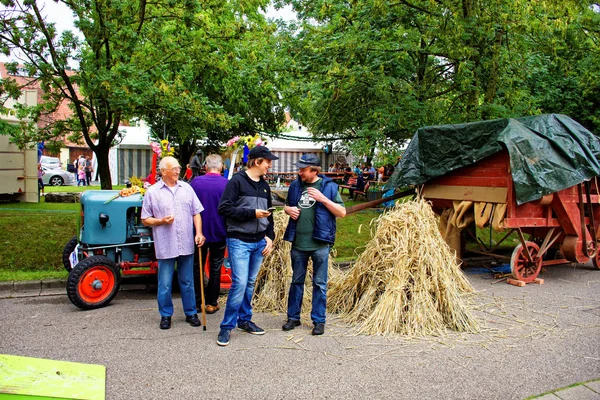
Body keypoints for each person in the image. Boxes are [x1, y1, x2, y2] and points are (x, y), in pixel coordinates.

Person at [216, 146, 278, 346]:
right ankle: (226, 327)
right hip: (239, 241)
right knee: (240, 283)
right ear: (257, 162)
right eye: (267, 161)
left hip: (259, 241)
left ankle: (244, 320)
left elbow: (270, 214)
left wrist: (270, 237)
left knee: (249, 283)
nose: (270, 165)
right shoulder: (237, 181)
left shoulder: (265, 186)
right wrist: (252, 213)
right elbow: (224, 208)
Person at [282, 154, 346, 335]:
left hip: (319, 244)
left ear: (314, 170)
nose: (299, 172)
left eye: (303, 169)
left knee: (319, 283)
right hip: (298, 243)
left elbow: (342, 212)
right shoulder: (295, 186)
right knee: (296, 281)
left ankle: (318, 321)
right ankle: (293, 318)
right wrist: (288, 210)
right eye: (299, 169)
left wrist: (323, 199)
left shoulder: (329, 187)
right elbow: (286, 206)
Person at [141, 156, 206, 330]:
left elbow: (196, 212)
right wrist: (161, 221)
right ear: (163, 171)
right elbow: (145, 219)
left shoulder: (187, 188)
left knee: (187, 281)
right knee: (165, 283)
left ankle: (191, 312)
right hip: (166, 244)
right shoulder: (153, 192)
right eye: (174, 168)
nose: (178, 171)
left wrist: (199, 232)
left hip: (186, 242)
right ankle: (165, 315)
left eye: (178, 168)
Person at [190, 154, 228, 315]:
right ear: (220, 167)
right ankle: (212, 302)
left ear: (205, 166)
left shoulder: (196, 182)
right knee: (215, 267)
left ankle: (198, 302)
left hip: (198, 232)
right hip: (219, 230)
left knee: (197, 267)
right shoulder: (227, 183)